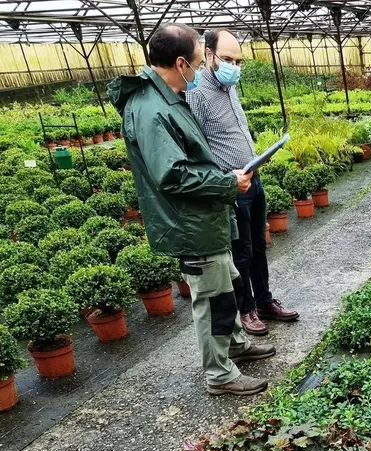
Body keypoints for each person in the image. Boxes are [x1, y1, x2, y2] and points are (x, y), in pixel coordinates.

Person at [107, 23, 275, 396]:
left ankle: (234, 346)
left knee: (225, 285)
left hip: (205, 217)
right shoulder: (151, 110)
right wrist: (229, 183)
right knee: (212, 300)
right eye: (199, 64)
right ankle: (219, 374)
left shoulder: (167, 98)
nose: (201, 71)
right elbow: (173, 176)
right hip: (189, 223)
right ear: (181, 62)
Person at [187, 28, 300, 337]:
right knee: (241, 252)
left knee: (260, 245)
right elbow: (193, 147)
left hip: (253, 179)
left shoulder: (230, 87)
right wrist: (223, 179)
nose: (233, 67)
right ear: (208, 54)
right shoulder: (196, 94)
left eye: (238, 61)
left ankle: (264, 301)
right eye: (227, 59)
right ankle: (246, 308)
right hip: (231, 186)